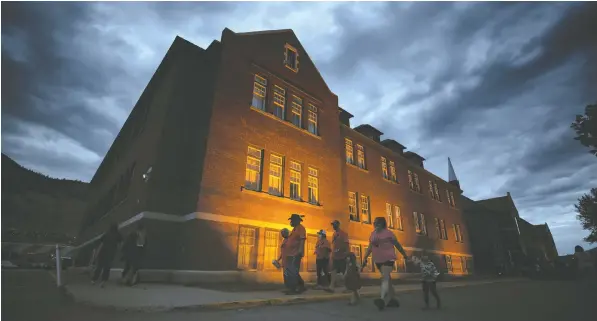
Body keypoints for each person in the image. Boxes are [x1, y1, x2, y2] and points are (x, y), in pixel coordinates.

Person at [362, 217, 408, 310]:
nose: (375, 224)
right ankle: (393, 299)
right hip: (378, 260)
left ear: (382, 224)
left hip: (388, 258)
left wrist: (404, 255)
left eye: (378, 223)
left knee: (385, 278)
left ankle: (381, 299)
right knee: (388, 280)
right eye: (375, 223)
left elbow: (397, 244)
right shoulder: (373, 234)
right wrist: (365, 257)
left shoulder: (389, 233)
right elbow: (370, 247)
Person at [91, 223, 123, 287]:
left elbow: (101, 244)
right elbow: (121, 244)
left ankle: (94, 280)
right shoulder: (118, 235)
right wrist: (118, 248)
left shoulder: (106, 234)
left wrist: (97, 253)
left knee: (99, 266)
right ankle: (103, 281)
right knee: (107, 267)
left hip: (103, 252)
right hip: (110, 253)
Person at [284, 214, 307, 295]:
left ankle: (293, 289)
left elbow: (302, 239)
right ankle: (301, 285)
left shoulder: (301, 228)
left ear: (297, 220)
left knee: (293, 271)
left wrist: (300, 251)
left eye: (292, 220)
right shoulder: (294, 229)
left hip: (295, 253)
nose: (291, 222)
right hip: (291, 253)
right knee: (293, 271)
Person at [325, 220, 349, 293]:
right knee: (333, 271)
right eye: (332, 225)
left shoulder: (343, 234)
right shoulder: (334, 234)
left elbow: (346, 244)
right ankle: (331, 287)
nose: (333, 226)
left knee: (344, 272)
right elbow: (334, 245)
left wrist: (347, 254)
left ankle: (348, 287)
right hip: (335, 256)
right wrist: (332, 255)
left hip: (342, 256)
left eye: (334, 224)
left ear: (338, 224)